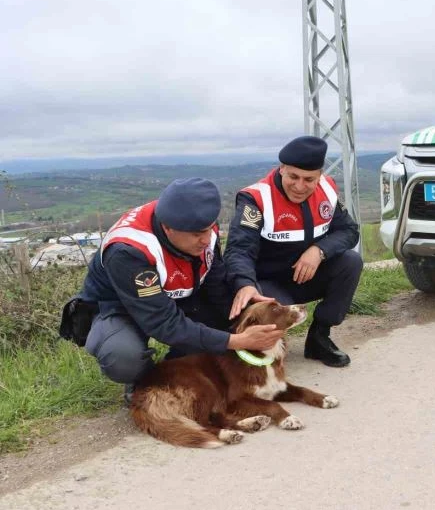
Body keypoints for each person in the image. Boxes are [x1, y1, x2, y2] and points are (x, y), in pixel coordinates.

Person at [59, 178, 285, 402]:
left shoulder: (198, 223)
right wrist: (237, 341)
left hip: (181, 295)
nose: (206, 240)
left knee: (232, 320)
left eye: (209, 230)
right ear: (168, 228)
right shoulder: (128, 251)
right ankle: (144, 380)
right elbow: (163, 323)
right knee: (123, 357)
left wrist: (241, 315)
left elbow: (215, 282)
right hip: (122, 307)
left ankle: (180, 364)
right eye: (198, 235)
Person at [225, 135, 363, 368]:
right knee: (276, 315)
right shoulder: (256, 198)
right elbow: (239, 250)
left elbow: (349, 231)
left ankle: (319, 337)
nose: (300, 186)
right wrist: (244, 283)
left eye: (309, 179)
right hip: (265, 283)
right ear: (282, 169)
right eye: (293, 176)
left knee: (350, 261)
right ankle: (257, 353)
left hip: (305, 276)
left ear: (319, 175)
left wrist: (319, 250)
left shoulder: (327, 189)